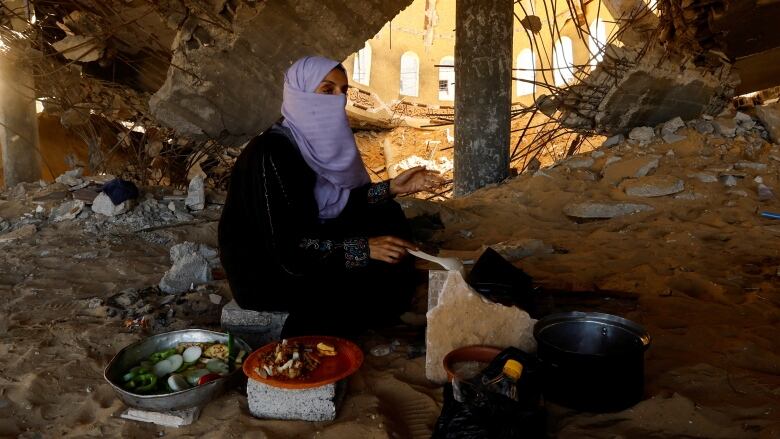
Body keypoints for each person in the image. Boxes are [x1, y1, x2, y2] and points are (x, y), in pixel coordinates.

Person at [218, 56, 444, 337]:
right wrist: (363, 248)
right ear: (300, 95)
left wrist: (391, 188)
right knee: (363, 270)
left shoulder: (311, 142)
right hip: (270, 269)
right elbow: (288, 250)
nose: (338, 100)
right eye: (327, 90)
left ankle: (389, 304)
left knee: (386, 212)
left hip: (308, 242)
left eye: (343, 91)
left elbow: (343, 203)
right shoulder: (271, 153)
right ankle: (373, 313)